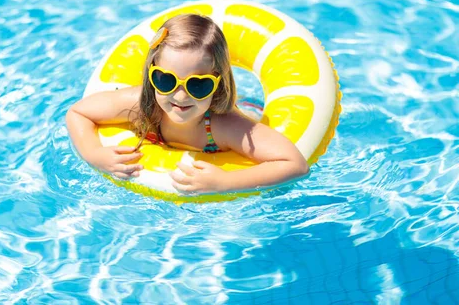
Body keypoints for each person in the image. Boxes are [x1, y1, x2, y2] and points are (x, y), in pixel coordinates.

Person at [66, 14, 309, 194]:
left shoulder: (223, 127)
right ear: (151, 76)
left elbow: (294, 164)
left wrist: (225, 182)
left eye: (197, 85)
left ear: (218, 83)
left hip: (245, 115)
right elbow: (78, 112)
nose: (180, 96)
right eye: (166, 80)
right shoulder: (140, 106)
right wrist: (94, 154)